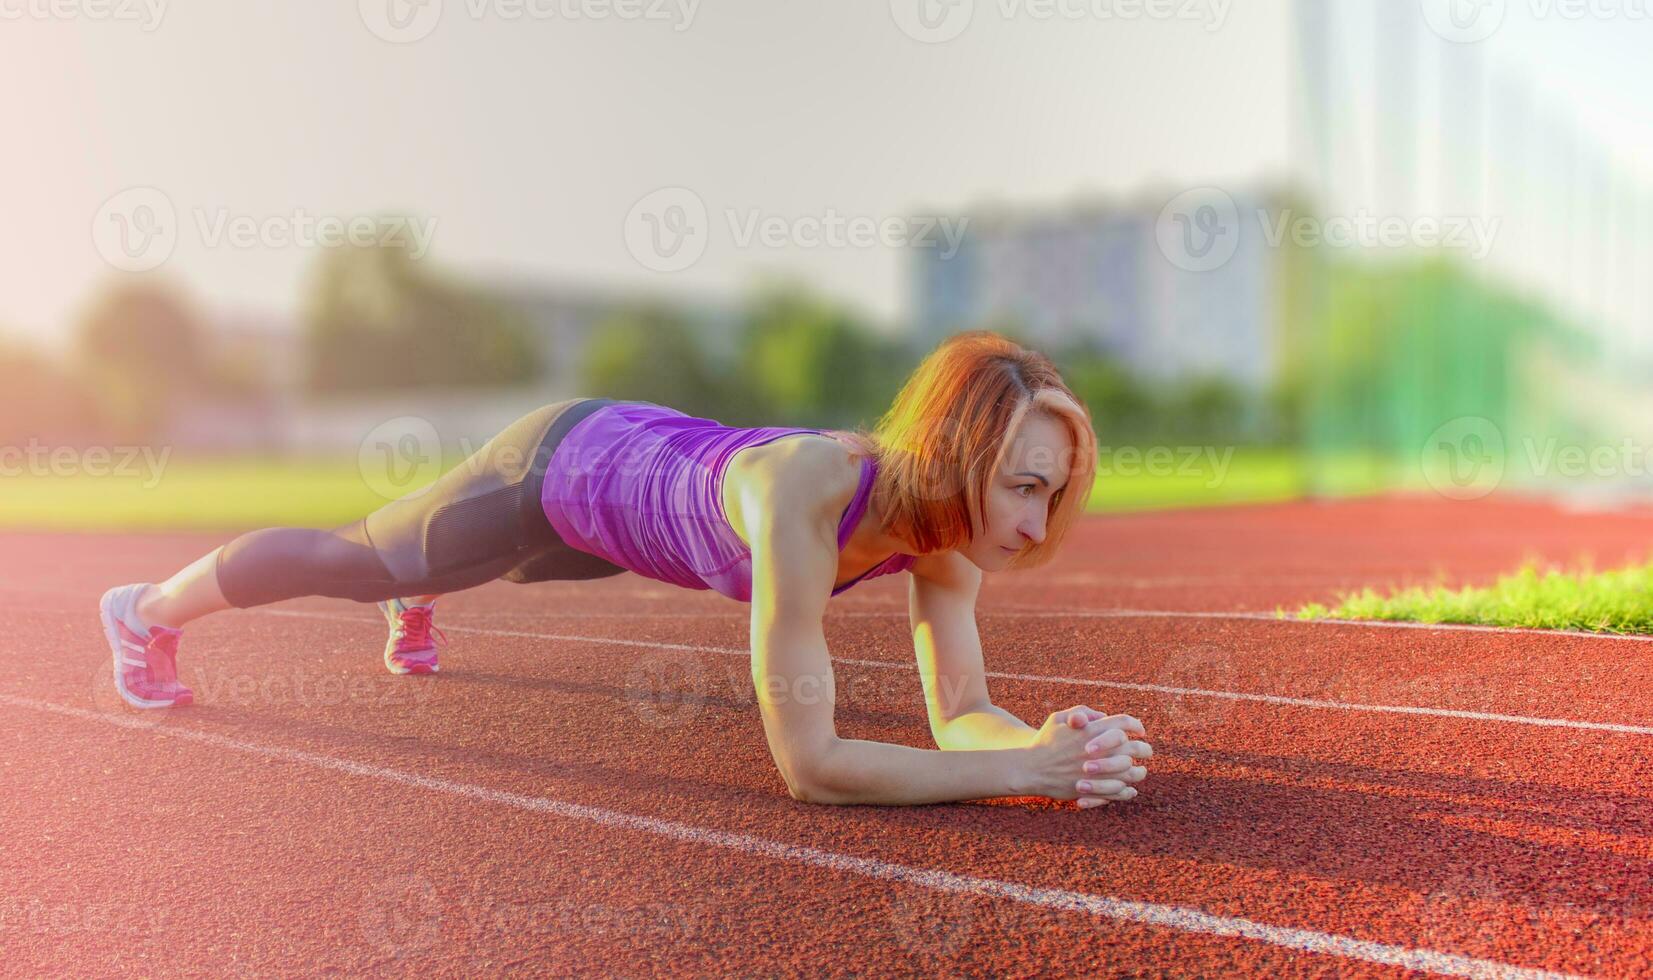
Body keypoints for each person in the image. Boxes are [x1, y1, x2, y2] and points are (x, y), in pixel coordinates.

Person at [97, 330, 1151, 808]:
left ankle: (434, 581)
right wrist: (1020, 773)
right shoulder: (810, 496)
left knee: (507, 570)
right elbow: (813, 765)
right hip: (556, 465)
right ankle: (145, 608)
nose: (1034, 516)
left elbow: (961, 711)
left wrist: (1052, 745)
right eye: (1021, 483)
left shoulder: (944, 546)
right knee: (365, 559)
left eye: (1051, 492)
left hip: (625, 515)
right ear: (957, 454)